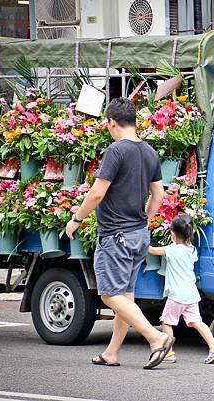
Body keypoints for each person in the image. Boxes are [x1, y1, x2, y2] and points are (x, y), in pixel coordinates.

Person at [65, 97, 173, 369]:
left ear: (112, 122)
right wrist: (144, 220)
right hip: (138, 235)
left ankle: (155, 337)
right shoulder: (149, 151)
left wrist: (76, 219)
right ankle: (112, 353)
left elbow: (97, 192)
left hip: (116, 235)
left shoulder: (116, 151)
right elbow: (158, 194)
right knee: (125, 297)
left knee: (108, 295)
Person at [148, 214, 214, 364]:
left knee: (166, 322)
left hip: (176, 295)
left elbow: (151, 250)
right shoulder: (192, 250)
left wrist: (141, 237)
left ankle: (169, 353)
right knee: (197, 322)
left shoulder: (171, 250)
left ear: (172, 233)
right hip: (191, 294)